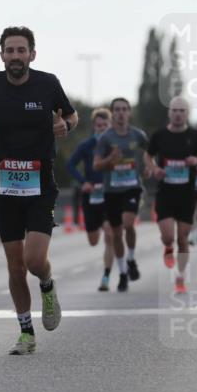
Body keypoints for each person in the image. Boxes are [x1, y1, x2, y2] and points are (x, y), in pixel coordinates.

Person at [0, 26, 78, 355]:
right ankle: (26, 332)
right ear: (2, 56)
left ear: (32, 54)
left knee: (34, 260)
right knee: (15, 267)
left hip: (40, 184)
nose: (15, 56)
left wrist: (65, 126)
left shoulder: (48, 84)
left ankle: (48, 284)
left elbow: (72, 116)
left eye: (21, 50)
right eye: (9, 51)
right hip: (5, 186)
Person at [145, 96, 197, 294]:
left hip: (187, 194)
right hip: (165, 192)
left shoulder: (196, 137)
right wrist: (154, 168)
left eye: (182, 111)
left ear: (187, 114)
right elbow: (147, 155)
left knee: (183, 238)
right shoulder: (159, 136)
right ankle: (167, 247)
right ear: (169, 113)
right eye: (175, 110)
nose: (178, 114)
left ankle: (180, 277)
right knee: (168, 236)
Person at [93, 98, 148, 291]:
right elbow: (96, 165)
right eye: (117, 110)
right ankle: (123, 272)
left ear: (129, 112)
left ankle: (131, 258)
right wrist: (110, 159)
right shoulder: (106, 138)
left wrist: (150, 165)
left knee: (128, 224)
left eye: (125, 109)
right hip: (112, 190)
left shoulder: (137, 135)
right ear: (112, 113)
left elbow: (151, 150)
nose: (121, 113)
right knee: (116, 234)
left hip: (132, 187)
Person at [67, 107, 115, 291]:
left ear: (110, 126)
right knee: (93, 240)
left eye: (105, 125)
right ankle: (99, 228)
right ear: (94, 126)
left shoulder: (115, 146)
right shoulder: (86, 146)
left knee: (109, 235)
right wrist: (83, 182)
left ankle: (106, 277)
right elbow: (70, 165)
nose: (101, 128)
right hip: (91, 195)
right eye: (98, 125)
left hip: (110, 196)